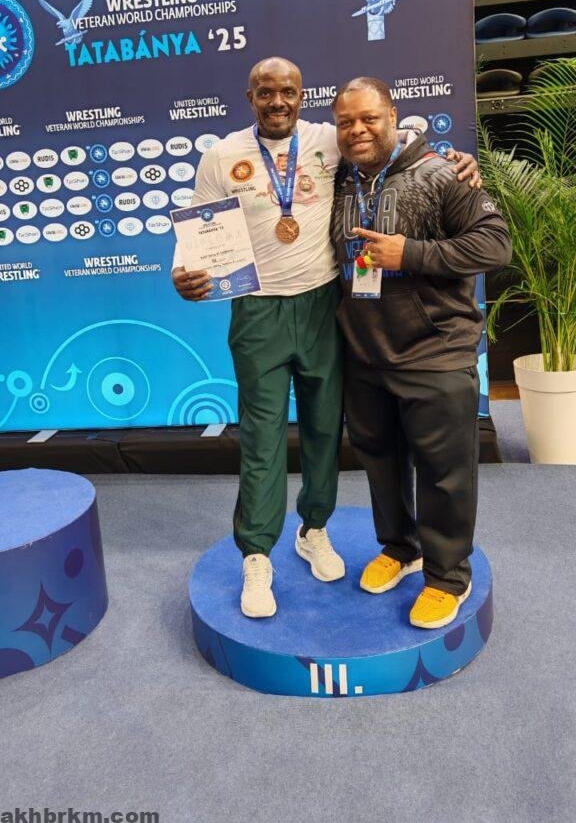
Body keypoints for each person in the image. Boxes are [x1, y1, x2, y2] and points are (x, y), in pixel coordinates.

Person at [172, 57, 482, 619]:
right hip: (259, 309)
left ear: (301, 96)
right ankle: (256, 554)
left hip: (323, 306)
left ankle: (313, 528)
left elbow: (391, 143)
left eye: (288, 92)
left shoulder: (328, 140)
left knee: (323, 430)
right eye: (266, 92)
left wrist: (456, 161)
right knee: (262, 436)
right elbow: (198, 229)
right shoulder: (222, 155)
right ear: (249, 97)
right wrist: (183, 274)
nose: (278, 102)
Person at [330, 76, 511, 628]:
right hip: (365, 353)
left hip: (435, 351)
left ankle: (448, 576)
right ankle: (400, 548)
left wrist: (410, 253)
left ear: (393, 116)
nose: (358, 130)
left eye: (369, 118)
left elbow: (495, 244)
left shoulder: (443, 172)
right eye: (346, 122)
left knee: (444, 472)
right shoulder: (337, 177)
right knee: (380, 461)